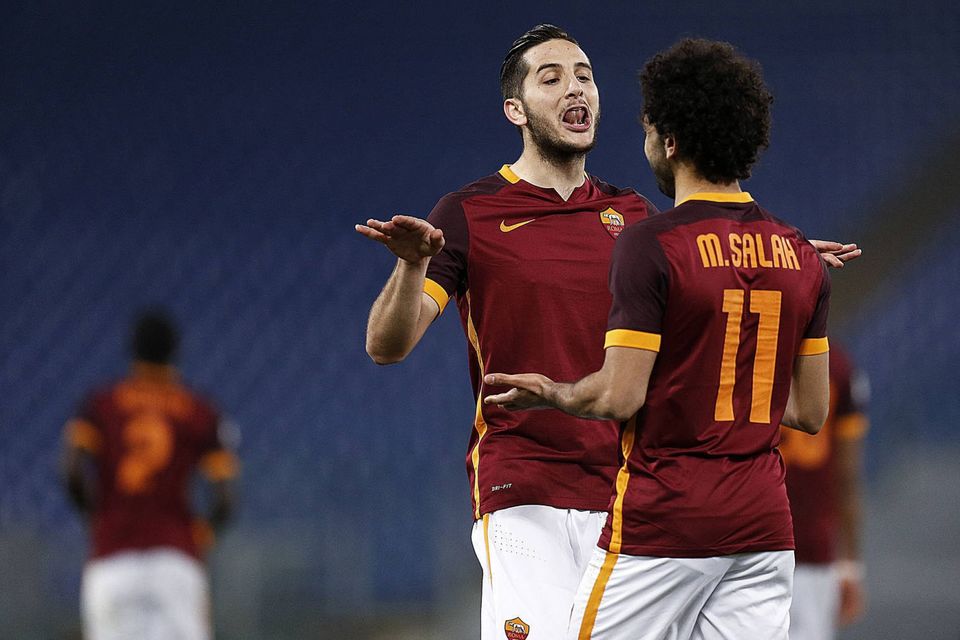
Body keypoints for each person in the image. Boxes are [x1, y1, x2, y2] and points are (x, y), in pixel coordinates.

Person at [356, 25, 857, 640]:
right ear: (515, 110)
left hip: (630, 492)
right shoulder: (468, 214)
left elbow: (704, 270)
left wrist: (785, 257)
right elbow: (387, 346)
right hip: (524, 486)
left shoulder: (639, 218)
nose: (576, 89)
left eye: (585, 76)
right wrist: (412, 266)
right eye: (552, 78)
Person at [484, 38, 833, 640]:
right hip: (764, 525)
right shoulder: (801, 255)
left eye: (648, 128)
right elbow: (808, 411)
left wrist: (552, 392)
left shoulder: (652, 242)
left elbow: (617, 397)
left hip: (668, 516)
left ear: (669, 141)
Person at [62, 309, 239, 640]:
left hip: (113, 554)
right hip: (175, 557)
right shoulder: (199, 411)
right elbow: (225, 499)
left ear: (132, 351)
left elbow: (71, 471)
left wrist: (96, 517)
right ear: (176, 352)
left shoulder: (102, 404)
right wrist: (198, 535)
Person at [780, 343, 869, 639]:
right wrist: (850, 567)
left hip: (744, 537)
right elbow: (847, 476)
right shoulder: (839, 367)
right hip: (810, 545)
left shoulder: (746, 350)